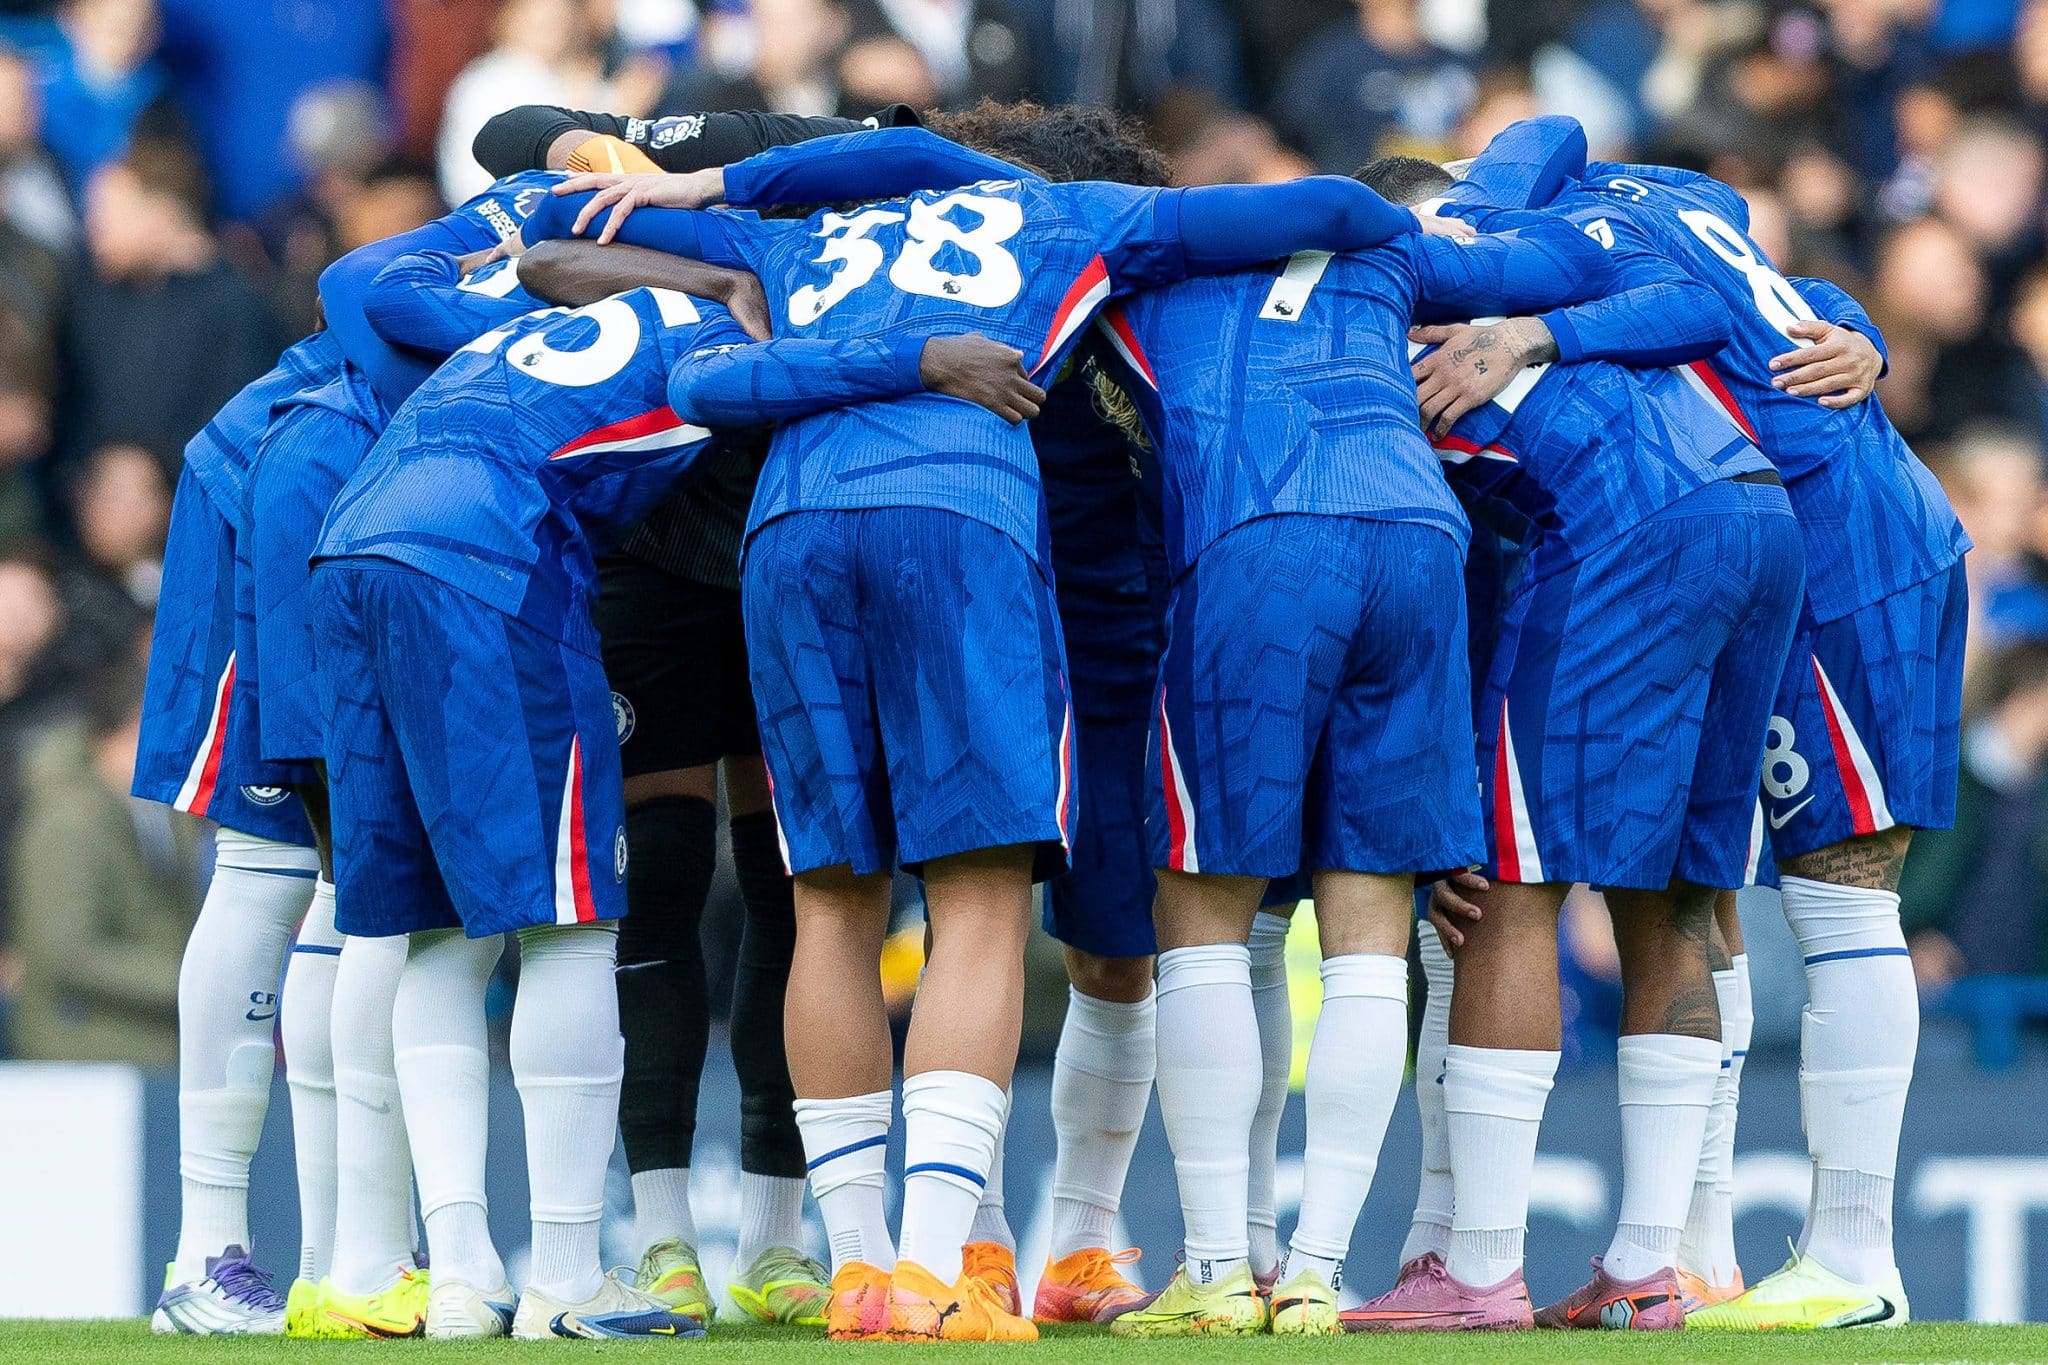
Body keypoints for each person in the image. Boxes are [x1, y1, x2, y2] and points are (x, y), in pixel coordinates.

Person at [536, 108, 1464, 1341]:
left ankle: (868, 1260)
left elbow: (558, 252)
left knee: (831, 903)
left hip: (795, 535)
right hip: (976, 537)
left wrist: (693, 201)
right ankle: (940, 1264)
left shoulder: (814, 235)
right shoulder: (1081, 226)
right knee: (986, 907)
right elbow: (1342, 212)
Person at [311, 238, 1039, 1340]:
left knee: (431, 933)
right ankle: (566, 1272)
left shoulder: (522, 331)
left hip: (357, 542)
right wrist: (926, 354)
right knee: (572, 924)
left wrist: (541, 224)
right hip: (505, 564)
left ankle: (459, 1269)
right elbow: (744, 378)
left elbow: (376, 286)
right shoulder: (705, 326)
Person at [1422, 117, 1972, 1333]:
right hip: (1799, 522)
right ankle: (1694, 1246)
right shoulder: (1675, 191)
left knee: (1835, 894)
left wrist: (1527, 324)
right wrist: (1867, 338)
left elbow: (1688, 304)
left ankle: (1854, 1255)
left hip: (1831, 538)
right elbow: (1800, 290)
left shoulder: (1554, 234)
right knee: (1698, 888)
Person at [1087, 185, 1610, 1337]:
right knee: (1369, 923)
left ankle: (1222, 1267)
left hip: (1261, 534)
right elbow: (1567, 251)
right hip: (1419, 531)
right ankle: (1321, 1274)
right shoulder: (1390, 263)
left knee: (1204, 907)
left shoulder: (1144, 265)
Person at [1346, 149, 1806, 1332]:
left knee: (1506, 882)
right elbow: (1722, 293)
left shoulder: (1396, 326)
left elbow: (1421, 566)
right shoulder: (1574, 274)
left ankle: (1481, 1268)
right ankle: (1652, 1267)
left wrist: (1435, 795)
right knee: (1674, 901)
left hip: (1627, 530)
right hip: (1757, 515)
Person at [133, 316, 331, 1337]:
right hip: (269, 495)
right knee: (269, 865)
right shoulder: (579, 234)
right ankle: (206, 1253)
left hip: (367, 510)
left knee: (364, 875)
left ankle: (355, 1255)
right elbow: (356, 288)